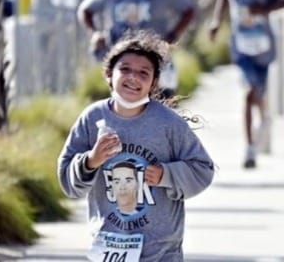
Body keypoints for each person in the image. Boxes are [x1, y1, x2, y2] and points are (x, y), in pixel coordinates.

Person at [58, 30, 214, 261]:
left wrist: (166, 174)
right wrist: (91, 161)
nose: (134, 77)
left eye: (144, 73)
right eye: (125, 69)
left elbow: (203, 169)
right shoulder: (92, 118)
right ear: (109, 74)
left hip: (160, 250)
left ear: (154, 83)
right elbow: (68, 184)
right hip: (109, 245)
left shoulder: (168, 124)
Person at [209, 0, 284, 169]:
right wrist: (216, 22)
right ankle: (249, 148)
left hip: (263, 49)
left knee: (258, 95)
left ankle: (264, 117)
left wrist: (262, 9)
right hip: (241, 48)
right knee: (248, 93)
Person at [77, 0, 195, 98]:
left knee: (160, 100)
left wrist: (172, 36)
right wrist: (94, 33)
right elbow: (85, 10)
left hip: (155, 55)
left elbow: (188, 10)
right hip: (119, 55)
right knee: (123, 102)